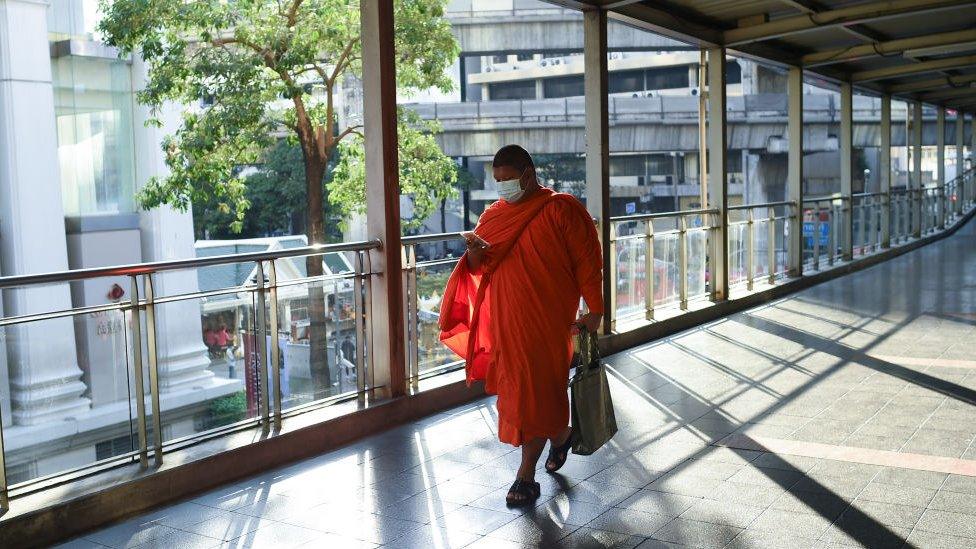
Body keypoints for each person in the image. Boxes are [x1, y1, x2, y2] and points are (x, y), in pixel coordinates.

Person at [439, 144, 603, 506]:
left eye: (507, 179)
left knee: (536, 392)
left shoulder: (561, 209)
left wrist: (595, 310)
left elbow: (587, 262)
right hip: (507, 324)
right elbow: (479, 269)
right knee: (522, 394)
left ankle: (525, 475)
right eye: (497, 180)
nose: (502, 186)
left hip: (547, 322)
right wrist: (475, 252)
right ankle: (561, 437)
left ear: (528, 175)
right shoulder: (494, 217)